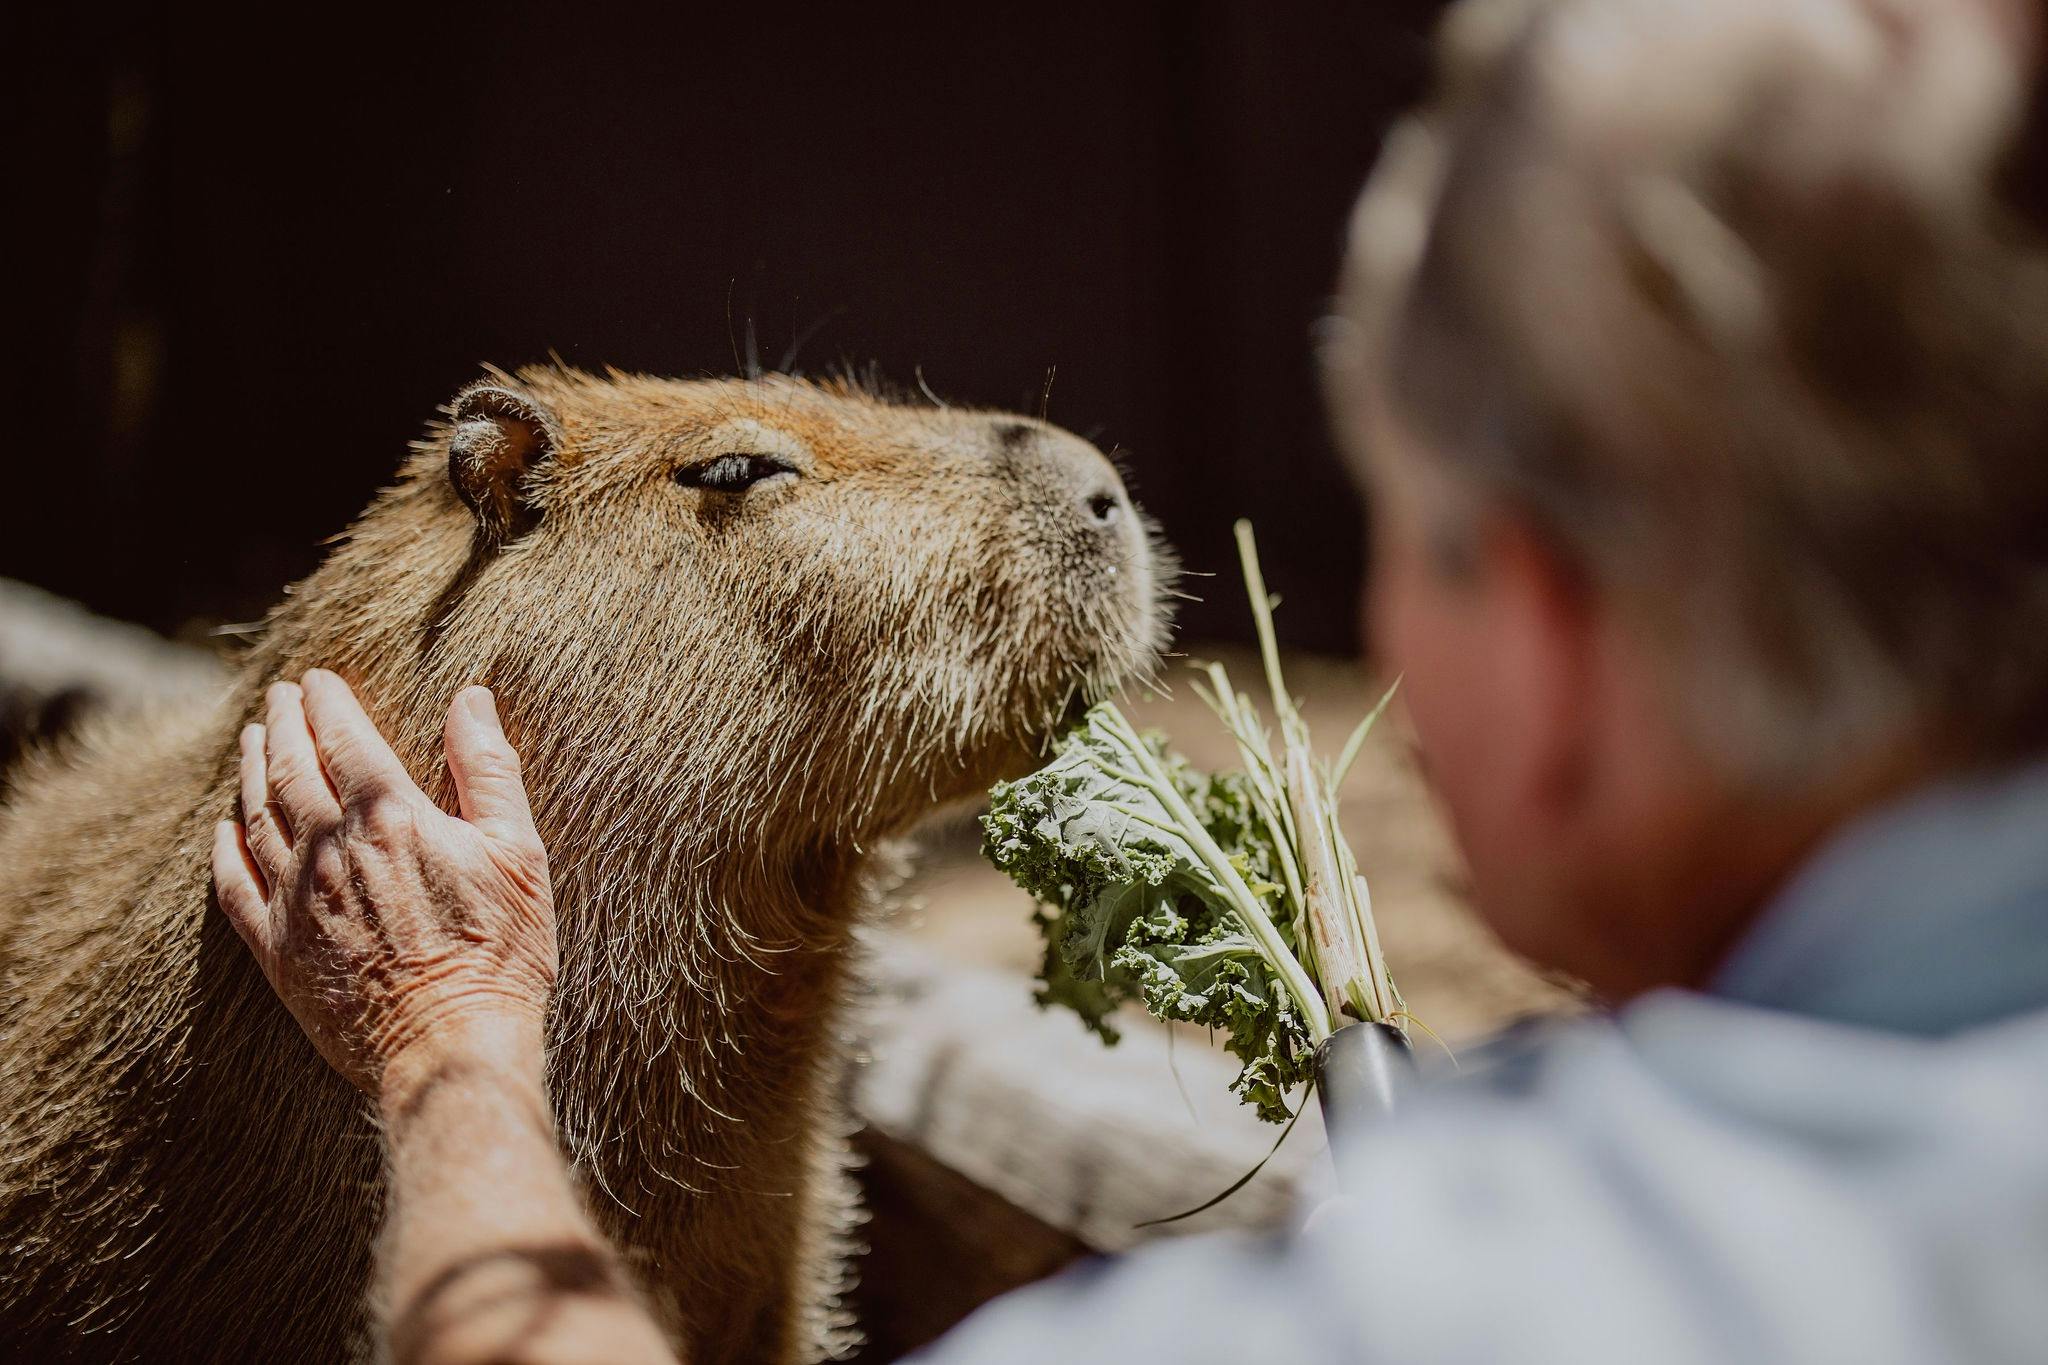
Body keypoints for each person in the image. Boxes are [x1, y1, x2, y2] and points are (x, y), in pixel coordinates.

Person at [212, 0, 2048, 1361]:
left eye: (1403, 526)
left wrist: (448, 1048)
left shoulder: (1478, 1304)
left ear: (1558, 637)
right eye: (754, 479)